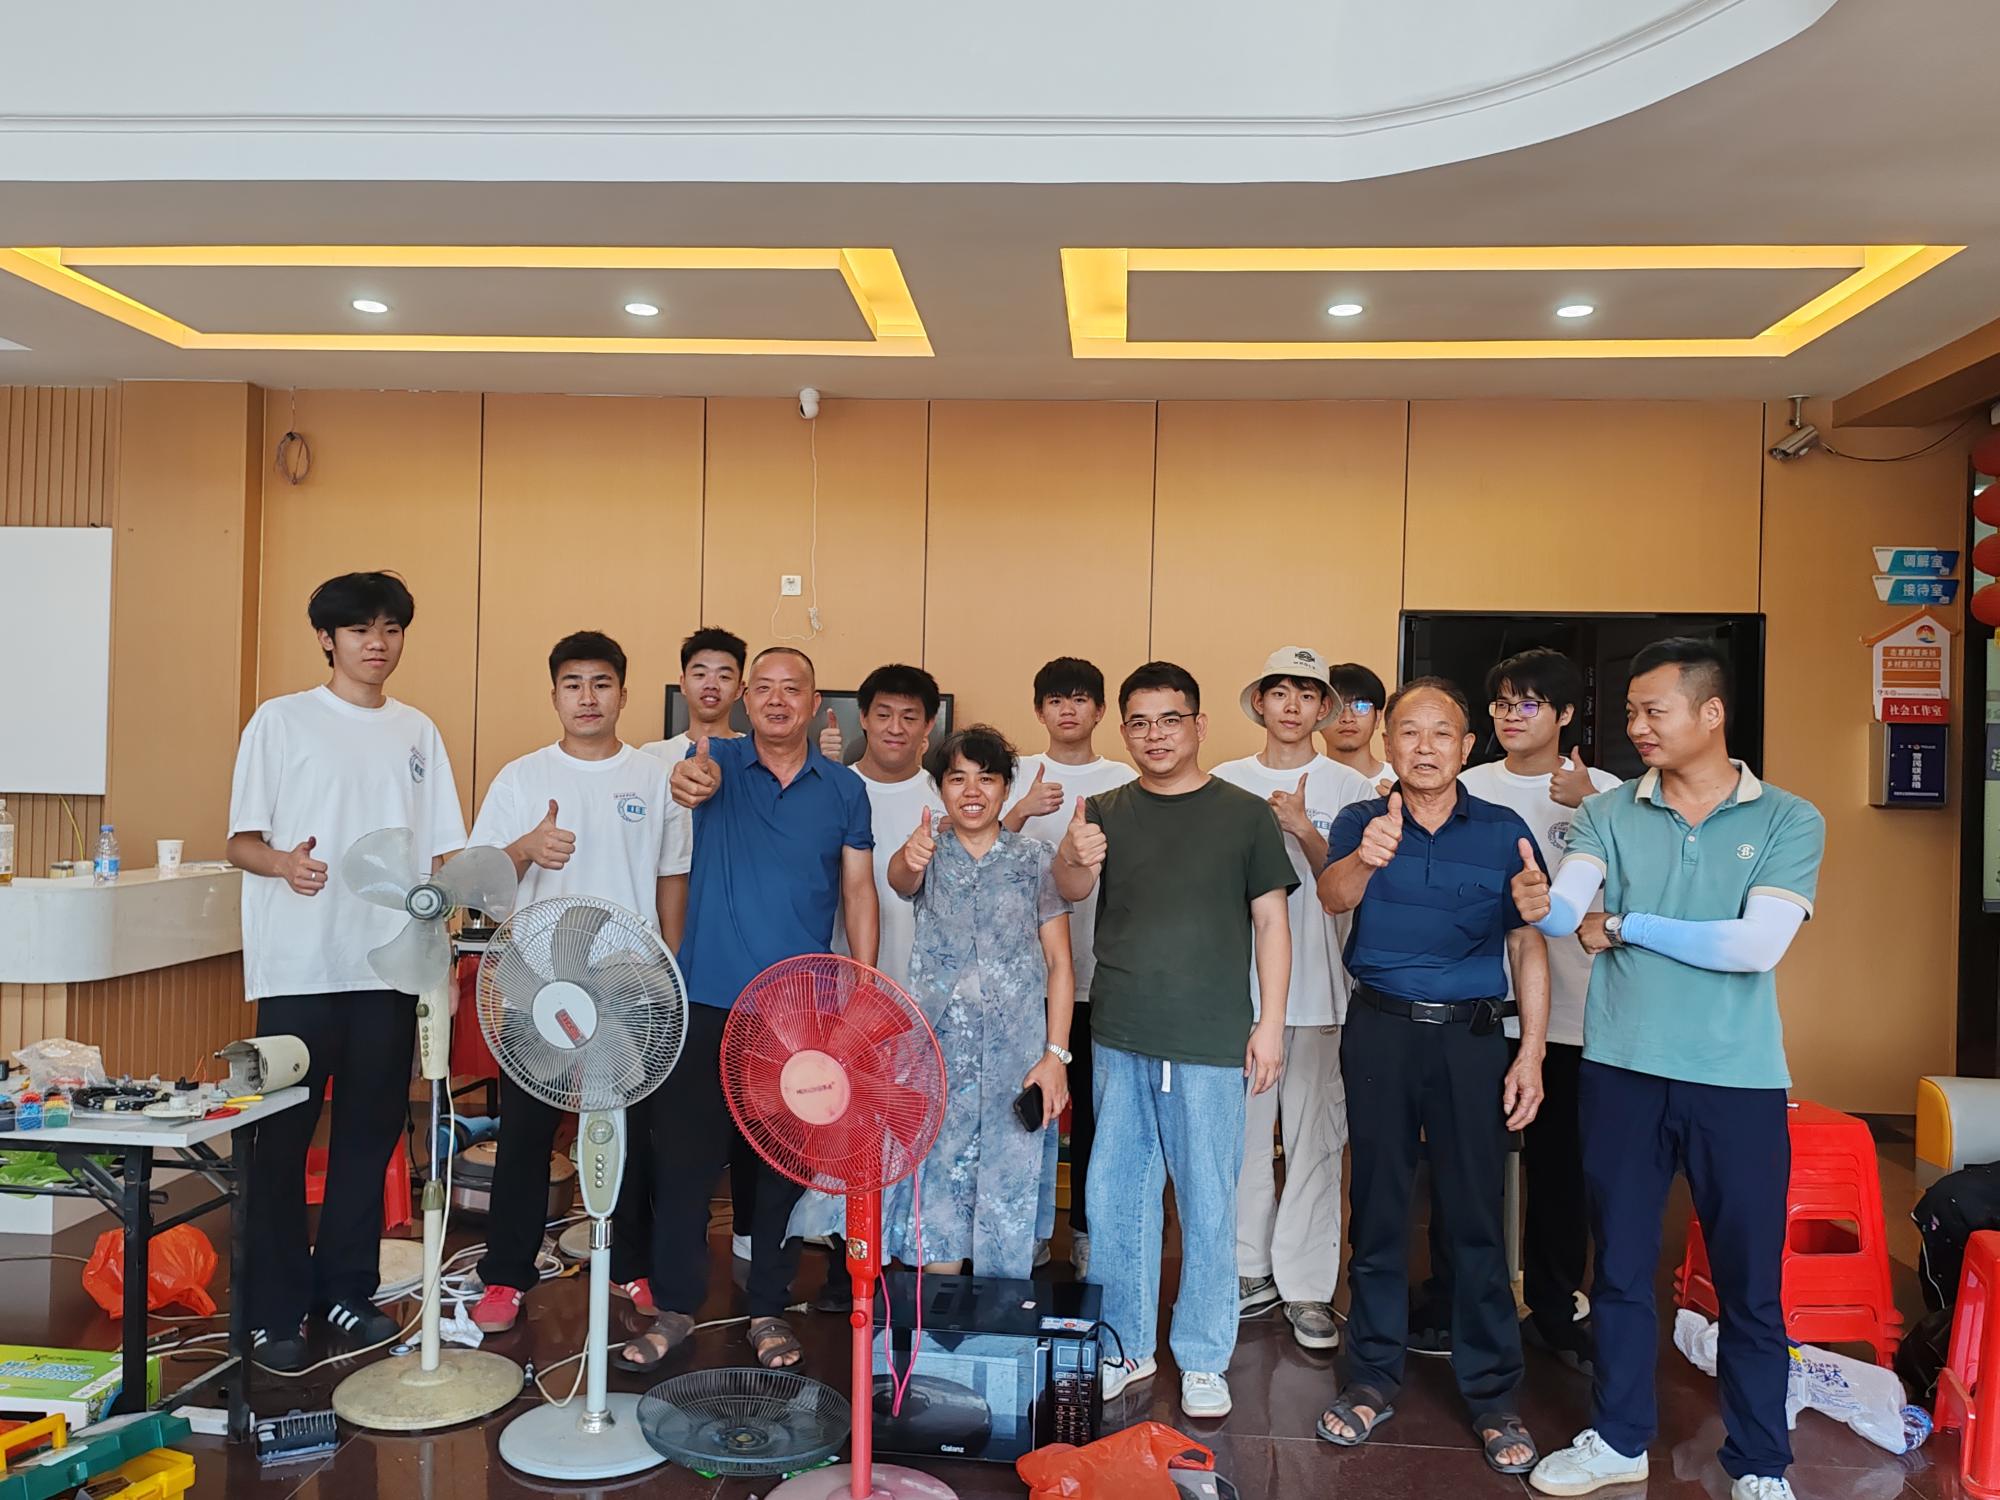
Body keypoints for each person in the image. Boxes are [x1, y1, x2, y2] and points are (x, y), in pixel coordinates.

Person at [1527, 639, 1824, 1500]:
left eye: (1653, 710)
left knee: (1749, 1283)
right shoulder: (1608, 811)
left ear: (1711, 713)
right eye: (1630, 712)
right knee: (1621, 1270)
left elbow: (1755, 945)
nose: (1637, 727)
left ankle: (1760, 1463)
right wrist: (1544, 906)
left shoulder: (1788, 818)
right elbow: (1568, 910)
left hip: (1739, 1079)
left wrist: (1627, 926)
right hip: (1622, 1070)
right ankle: (1619, 1439)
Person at [227, 571, 465, 1369]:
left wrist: (441, 949)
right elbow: (240, 841)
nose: (378, 643)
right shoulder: (281, 720)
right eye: (361, 629)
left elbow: (440, 855)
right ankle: (274, 1312)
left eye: (391, 628)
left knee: (369, 1140)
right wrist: (283, 864)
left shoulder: (417, 731)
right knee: (280, 1144)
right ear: (327, 639)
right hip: (299, 968)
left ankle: (347, 1292)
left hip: (388, 968)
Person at [1314, 676, 1551, 1476]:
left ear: (1466, 746)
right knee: (1379, 1206)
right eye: (1409, 732)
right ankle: (1371, 1377)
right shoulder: (1362, 819)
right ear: (1388, 745)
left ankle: (1491, 1393)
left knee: (1475, 1214)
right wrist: (1365, 858)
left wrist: (1531, 1051)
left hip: (1472, 1039)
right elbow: (1331, 896)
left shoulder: (1504, 830)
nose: (1425, 747)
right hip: (1380, 1031)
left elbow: (1527, 942)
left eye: (1441, 733)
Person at [620, 645, 878, 1374]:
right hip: (705, 1001)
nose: (775, 699)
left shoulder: (844, 789)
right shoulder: (715, 762)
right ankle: (675, 1309)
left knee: (779, 1172)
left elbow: (858, 890)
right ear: (743, 699)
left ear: (815, 703)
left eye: (791, 688)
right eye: (761, 687)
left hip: (798, 1014)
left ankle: (769, 1309)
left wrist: (862, 989)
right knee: (684, 1168)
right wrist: (689, 779)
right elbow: (686, 783)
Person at [1054, 661, 1294, 1422]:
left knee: (1209, 1200)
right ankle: (1127, 1346)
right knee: (1116, 1199)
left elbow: (1271, 923)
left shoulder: (1244, 815)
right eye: (1139, 722)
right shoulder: (1104, 810)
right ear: (1123, 731)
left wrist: (1270, 1024)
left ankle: (1204, 1355)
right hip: (1121, 1031)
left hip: (1211, 1038)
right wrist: (1073, 855)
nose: (1154, 735)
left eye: (1169, 719)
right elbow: (1070, 891)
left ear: (1198, 725)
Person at [467, 632, 691, 1333]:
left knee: (630, 1135)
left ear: (623, 693)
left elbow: (672, 878)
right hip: (538, 987)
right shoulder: (521, 778)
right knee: (526, 1136)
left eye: (601, 683)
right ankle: (505, 1274)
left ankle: (631, 1264)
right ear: (554, 694)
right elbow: (477, 881)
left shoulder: (654, 778)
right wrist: (524, 849)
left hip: (628, 988)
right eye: (573, 684)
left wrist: (668, 968)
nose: (587, 697)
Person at [1457, 647, 1621, 1373]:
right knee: (1471, 1165)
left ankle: (1554, 1306)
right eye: (1501, 703)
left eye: (1528, 703)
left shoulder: (1606, 792)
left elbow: (1641, 889)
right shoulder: (1466, 785)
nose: (1511, 716)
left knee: (1561, 1171)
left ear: (1565, 714)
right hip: (1477, 1008)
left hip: (1573, 1017)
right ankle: (1469, 1298)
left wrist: (1589, 804)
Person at [1212, 648, 1373, 1352]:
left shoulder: (1356, 787)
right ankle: (1247, 1270)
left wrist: (1305, 827)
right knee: (1241, 1144)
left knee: (1316, 1145)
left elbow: (1353, 888)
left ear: (1323, 709)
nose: (1291, 706)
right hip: (1240, 998)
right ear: (1259, 703)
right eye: (1278, 693)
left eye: (1306, 695)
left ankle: (1307, 1286)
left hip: (1325, 992)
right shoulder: (1223, 782)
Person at [881, 725, 1074, 1278]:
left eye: (986, 779)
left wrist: (1055, 1057)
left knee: (1008, 1188)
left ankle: (999, 1317)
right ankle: (939, 1317)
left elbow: (1061, 964)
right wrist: (911, 856)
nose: (972, 791)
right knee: (937, 1185)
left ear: (1006, 788)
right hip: (935, 1059)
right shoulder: (927, 852)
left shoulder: (1035, 860)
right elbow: (899, 879)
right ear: (939, 788)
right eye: (957, 778)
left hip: (1017, 1059)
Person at [791, 664, 946, 1290]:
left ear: (928, 727)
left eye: (910, 717)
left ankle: (908, 1251)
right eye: (883, 714)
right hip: (844, 988)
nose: (895, 728)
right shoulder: (832, 787)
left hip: (925, 994)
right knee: (843, 1124)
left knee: (912, 1123)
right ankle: (846, 1256)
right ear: (864, 718)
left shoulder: (946, 796)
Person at [1000, 656, 1138, 1276]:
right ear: (1039, 710)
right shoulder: (1015, 776)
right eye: (1055, 699)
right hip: (1026, 982)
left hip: (1102, 980)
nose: (1067, 709)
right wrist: (1022, 810)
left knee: (1096, 1117)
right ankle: (1026, 1232)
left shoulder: (1125, 779)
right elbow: (981, 851)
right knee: (1028, 1113)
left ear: (1101, 711)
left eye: (1080, 699)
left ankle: (1085, 1232)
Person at [642, 626, 761, 1262]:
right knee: (674, 1117)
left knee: (751, 1107)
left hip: (736, 957)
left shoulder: (758, 759)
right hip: (663, 960)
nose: (711, 684)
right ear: (682, 681)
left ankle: (749, 1233)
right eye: (699, 672)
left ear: (740, 688)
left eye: (725, 674)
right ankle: (661, 1247)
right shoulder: (647, 760)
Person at [1320, 663, 1393, 792]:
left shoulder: (1399, 783)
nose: (1347, 718)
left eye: (1361, 707)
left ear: (1377, 717)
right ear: (1318, 716)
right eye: (1336, 708)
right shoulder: (1303, 783)